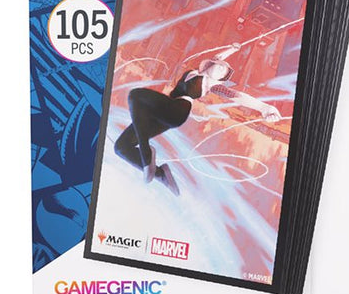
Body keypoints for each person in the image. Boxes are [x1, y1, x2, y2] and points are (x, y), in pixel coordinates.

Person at [113, 43, 281, 194]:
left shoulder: (212, 85)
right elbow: (218, 57)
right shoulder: (195, 71)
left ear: (219, 79)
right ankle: (160, 174)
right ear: (213, 64)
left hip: (177, 110)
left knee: (136, 95)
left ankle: (146, 153)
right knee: (121, 147)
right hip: (163, 110)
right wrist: (232, 49)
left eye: (222, 73)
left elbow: (238, 96)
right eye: (221, 67)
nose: (221, 70)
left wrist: (264, 108)